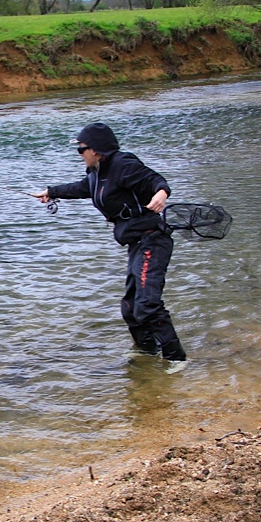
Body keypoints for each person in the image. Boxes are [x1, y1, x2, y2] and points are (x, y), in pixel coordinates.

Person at [32, 122, 188, 367]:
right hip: (136, 243)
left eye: (81, 149)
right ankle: (148, 351)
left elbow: (155, 180)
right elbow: (83, 188)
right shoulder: (95, 173)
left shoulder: (123, 164)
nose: (79, 154)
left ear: (96, 149)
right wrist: (52, 191)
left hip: (152, 239)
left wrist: (161, 194)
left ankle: (176, 359)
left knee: (147, 305)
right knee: (129, 307)